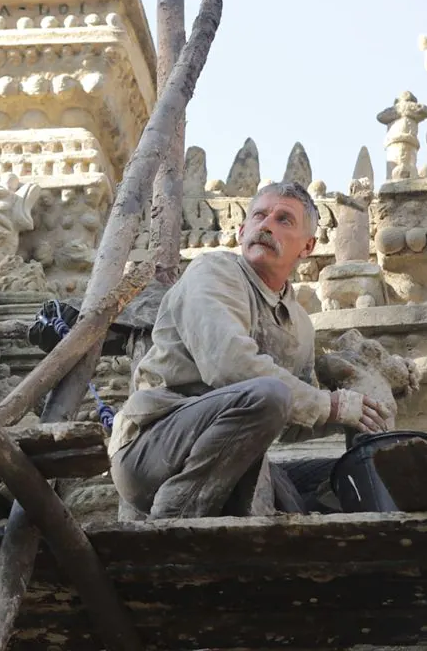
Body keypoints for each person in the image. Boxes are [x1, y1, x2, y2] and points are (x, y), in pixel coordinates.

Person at [109, 181, 392, 519]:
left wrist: (356, 414)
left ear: (308, 246)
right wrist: (328, 405)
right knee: (269, 394)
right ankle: (173, 520)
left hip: (231, 459)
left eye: (283, 220)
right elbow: (229, 366)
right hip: (154, 448)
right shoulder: (212, 271)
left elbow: (288, 419)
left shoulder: (300, 324)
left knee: (342, 476)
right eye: (259, 215)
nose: (266, 225)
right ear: (243, 231)